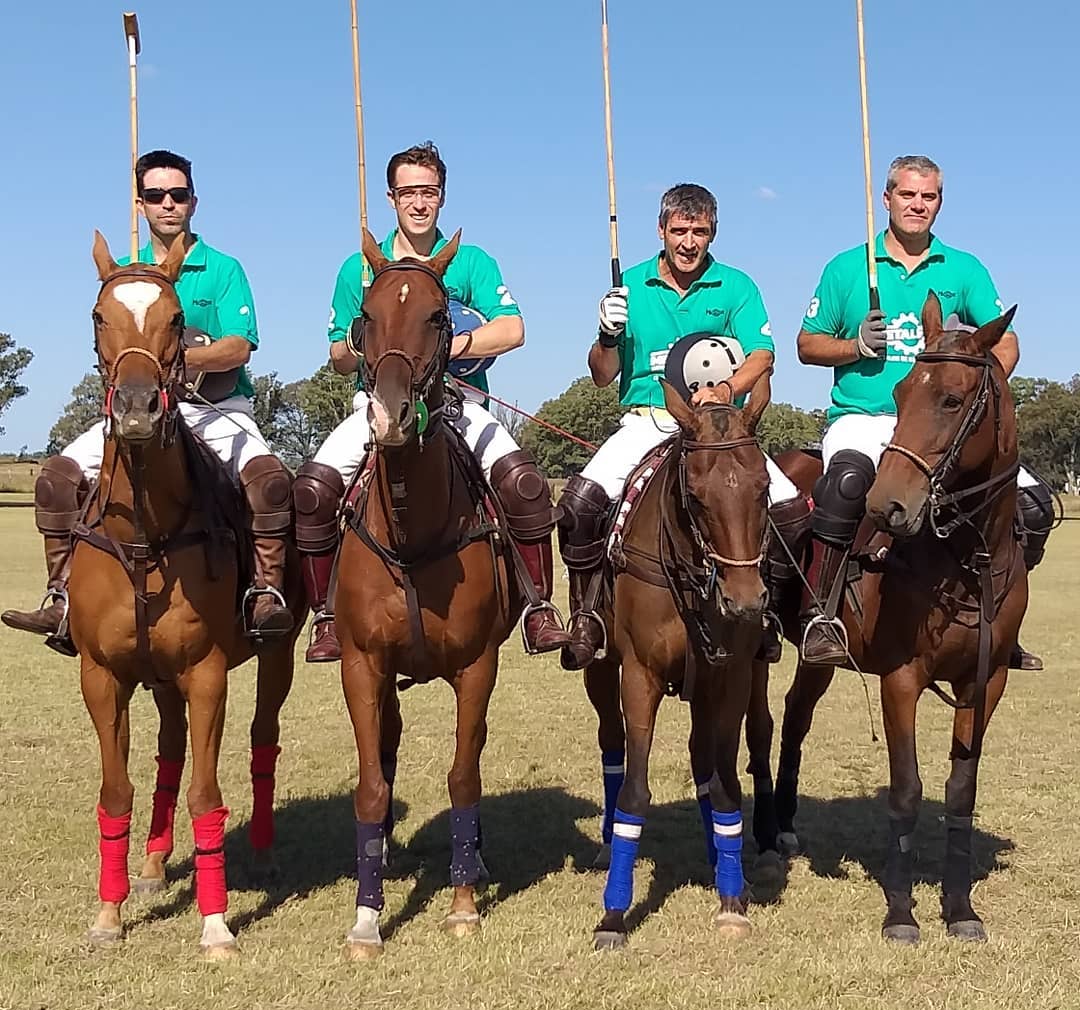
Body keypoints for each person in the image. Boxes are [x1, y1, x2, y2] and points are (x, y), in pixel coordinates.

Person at [2, 149, 294, 649]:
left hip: (215, 410)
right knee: (55, 480)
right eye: (156, 195)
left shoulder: (221, 268)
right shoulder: (126, 280)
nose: (168, 204)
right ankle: (61, 597)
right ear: (141, 204)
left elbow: (240, 345)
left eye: (178, 195)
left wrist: (174, 358)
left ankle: (264, 593)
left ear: (193, 202)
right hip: (138, 408)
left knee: (268, 481)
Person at [292, 142, 568, 662]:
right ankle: (326, 615)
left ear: (441, 197)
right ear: (391, 197)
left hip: (460, 403)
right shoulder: (359, 269)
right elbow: (336, 356)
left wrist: (448, 347)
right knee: (312, 490)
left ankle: (538, 606)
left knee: (528, 486)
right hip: (378, 403)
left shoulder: (471, 262)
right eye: (408, 192)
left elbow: (513, 329)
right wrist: (360, 340)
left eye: (429, 192)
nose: (419, 202)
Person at [797, 154, 1052, 669]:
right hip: (866, 416)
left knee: (1034, 504)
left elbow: (1005, 342)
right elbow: (806, 344)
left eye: (928, 196)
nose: (918, 205)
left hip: (944, 426)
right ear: (886, 198)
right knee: (844, 487)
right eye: (908, 195)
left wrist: (986, 387)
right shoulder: (848, 267)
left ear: (939, 203)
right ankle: (820, 616)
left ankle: (1002, 620)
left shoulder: (964, 269)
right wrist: (854, 346)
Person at [557, 182, 809, 674]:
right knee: (579, 505)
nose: (689, 242)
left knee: (792, 510)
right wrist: (607, 335)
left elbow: (763, 354)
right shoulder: (629, 285)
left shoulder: (736, 287)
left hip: (720, 429)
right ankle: (587, 615)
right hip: (647, 421)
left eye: (699, 231)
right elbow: (601, 373)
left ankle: (770, 614)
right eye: (679, 230)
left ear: (712, 232)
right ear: (661, 231)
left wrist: (726, 388)